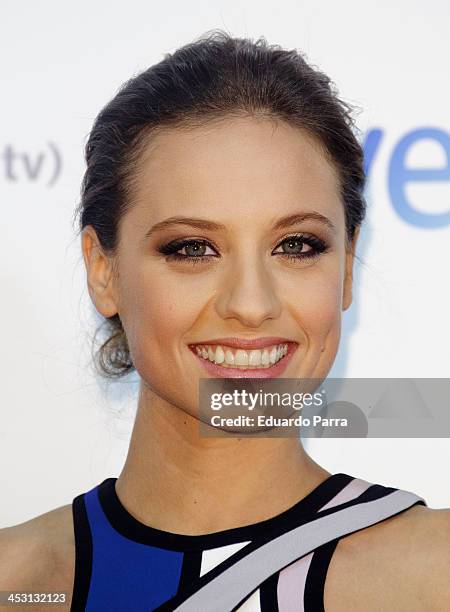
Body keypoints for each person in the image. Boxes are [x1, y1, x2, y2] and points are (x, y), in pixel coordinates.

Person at [1, 30, 449, 612]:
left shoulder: (434, 575)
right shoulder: (17, 581)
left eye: (296, 244)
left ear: (345, 268)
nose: (251, 302)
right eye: (192, 248)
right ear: (103, 270)